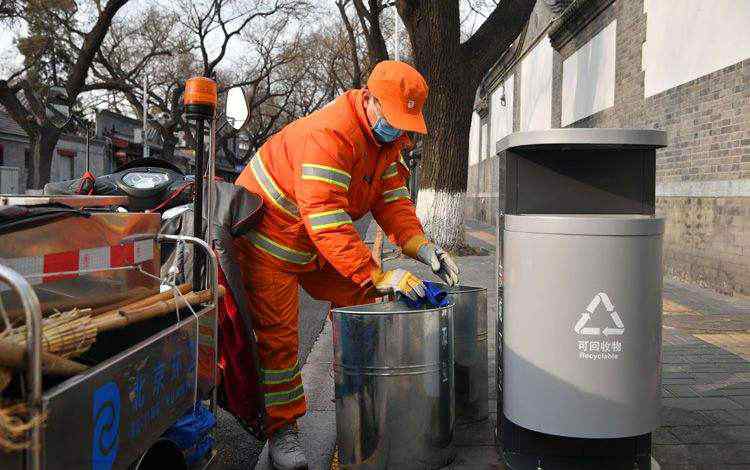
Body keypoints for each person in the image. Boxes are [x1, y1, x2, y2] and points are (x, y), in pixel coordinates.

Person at [234, 60, 459, 470]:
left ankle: (366, 388)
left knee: (366, 297)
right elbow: (326, 218)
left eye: (403, 122)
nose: (398, 129)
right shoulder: (330, 134)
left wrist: (424, 248)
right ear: (368, 99)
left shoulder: (385, 145)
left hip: (316, 243)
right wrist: (377, 272)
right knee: (280, 343)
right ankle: (282, 432)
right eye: (392, 118)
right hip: (271, 243)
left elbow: (393, 203)